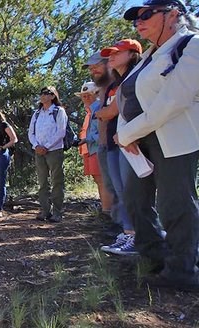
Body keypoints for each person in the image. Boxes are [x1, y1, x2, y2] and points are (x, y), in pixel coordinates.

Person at [116, 0, 199, 291]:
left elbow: (173, 101)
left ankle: (182, 271)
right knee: (135, 200)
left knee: (175, 203)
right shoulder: (149, 56)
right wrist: (125, 135)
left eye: (146, 15)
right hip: (141, 140)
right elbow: (127, 102)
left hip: (174, 138)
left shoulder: (192, 45)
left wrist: (127, 134)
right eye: (135, 19)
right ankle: (155, 257)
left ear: (173, 14)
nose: (139, 22)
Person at [96, 39, 142, 256]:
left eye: (117, 52)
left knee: (132, 191)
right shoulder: (115, 83)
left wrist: (102, 112)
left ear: (132, 54)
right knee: (121, 190)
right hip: (115, 142)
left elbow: (109, 112)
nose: (111, 57)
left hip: (132, 142)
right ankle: (128, 233)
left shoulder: (137, 77)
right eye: (109, 54)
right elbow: (105, 111)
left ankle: (139, 236)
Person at [83, 52, 118, 230]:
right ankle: (115, 222)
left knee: (112, 183)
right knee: (105, 183)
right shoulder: (95, 104)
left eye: (96, 66)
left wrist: (87, 139)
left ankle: (118, 222)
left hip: (113, 145)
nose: (86, 98)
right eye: (91, 68)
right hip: (101, 147)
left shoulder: (117, 86)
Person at [28, 86, 67, 223]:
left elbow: (61, 132)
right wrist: (36, 146)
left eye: (47, 93)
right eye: (42, 93)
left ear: (53, 96)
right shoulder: (37, 113)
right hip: (39, 151)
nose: (43, 95)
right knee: (42, 182)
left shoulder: (59, 111)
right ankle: (45, 210)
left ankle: (57, 211)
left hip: (54, 150)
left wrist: (47, 146)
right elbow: (31, 133)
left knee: (57, 181)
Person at [75, 82, 109, 216]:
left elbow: (101, 132)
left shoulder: (98, 108)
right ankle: (106, 209)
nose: (85, 98)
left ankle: (108, 212)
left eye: (89, 95)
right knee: (98, 180)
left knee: (103, 180)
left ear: (97, 94)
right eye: (83, 96)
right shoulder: (89, 111)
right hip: (89, 150)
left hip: (97, 148)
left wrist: (86, 139)